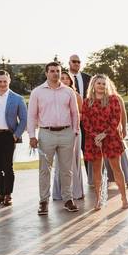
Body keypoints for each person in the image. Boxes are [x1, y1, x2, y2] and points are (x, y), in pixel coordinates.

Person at [28, 61, 81, 215]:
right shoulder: (37, 92)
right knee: (45, 170)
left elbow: (74, 113)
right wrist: (32, 136)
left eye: (58, 71)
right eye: (52, 71)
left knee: (66, 170)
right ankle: (43, 201)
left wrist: (75, 131)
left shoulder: (68, 91)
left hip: (66, 133)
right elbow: (31, 116)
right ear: (46, 73)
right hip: (46, 133)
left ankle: (68, 200)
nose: (55, 74)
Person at [81, 75, 128, 210]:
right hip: (94, 140)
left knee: (116, 168)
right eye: (98, 83)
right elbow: (85, 121)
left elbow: (116, 119)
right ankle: (98, 200)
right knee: (97, 171)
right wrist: (96, 136)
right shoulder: (87, 102)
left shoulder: (113, 100)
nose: (101, 85)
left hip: (111, 137)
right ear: (93, 85)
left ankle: (124, 198)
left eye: (103, 83)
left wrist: (104, 134)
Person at [0, 70, 28, 207]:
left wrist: (16, 135)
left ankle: (8, 195)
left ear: (9, 81)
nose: (2, 84)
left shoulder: (17, 98)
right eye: (0, 81)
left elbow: (24, 120)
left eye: (5, 81)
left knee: (7, 167)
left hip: (9, 136)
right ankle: (1, 193)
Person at [51, 71, 85, 203]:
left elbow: (82, 114)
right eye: (62, 78)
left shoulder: (75, 95)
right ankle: (59, 193)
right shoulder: (55, 95)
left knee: (72, 162)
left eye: (67, 79)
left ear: (71, 81)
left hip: (73, 131)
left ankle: (75, 192)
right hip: (58, 132)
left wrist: (71, 121)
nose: (64, 80)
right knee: (59, 162)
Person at [68, 54, 93, 184]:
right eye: (74, 61)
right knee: (70, 151)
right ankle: (71, 182)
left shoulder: (88, 78)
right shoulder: (63, 79)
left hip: (87, 120)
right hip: (68, 121)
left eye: (78, 61)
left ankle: (91, 179)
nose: (76, 64)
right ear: (69, 63)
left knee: (88, 149)